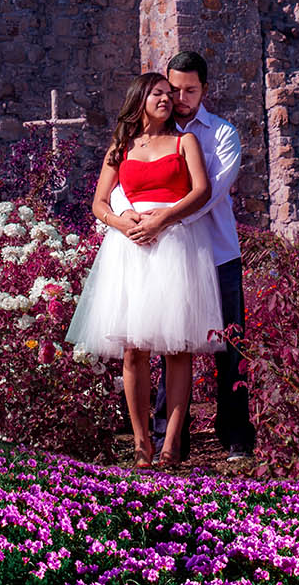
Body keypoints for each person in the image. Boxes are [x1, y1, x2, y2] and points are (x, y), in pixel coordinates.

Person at [65, 72, 226, 467]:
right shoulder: (120, 147)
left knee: (177, 348)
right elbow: (100, 202)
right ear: (139, 99)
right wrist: (123, 223)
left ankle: (171, 444)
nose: (167, 99)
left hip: (174, 244)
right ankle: (141, 444)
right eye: (158, 93)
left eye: (169, 95)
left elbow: (201, 190)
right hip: (130, 248)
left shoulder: (184, 140)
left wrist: (163, 219)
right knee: (133, 348)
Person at [112, 50, 256, 462]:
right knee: (168, 337)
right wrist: (132, 218)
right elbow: (125, 185)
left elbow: (210, 193)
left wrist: (161, 221)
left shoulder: (221, 134)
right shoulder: (153, 136)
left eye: (189, 89)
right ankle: (169, 438)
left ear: (204, 90)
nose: (179, 96)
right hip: (162, 251)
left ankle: (235, 435)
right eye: (173, 88)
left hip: (215, 252)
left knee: (229, 346)